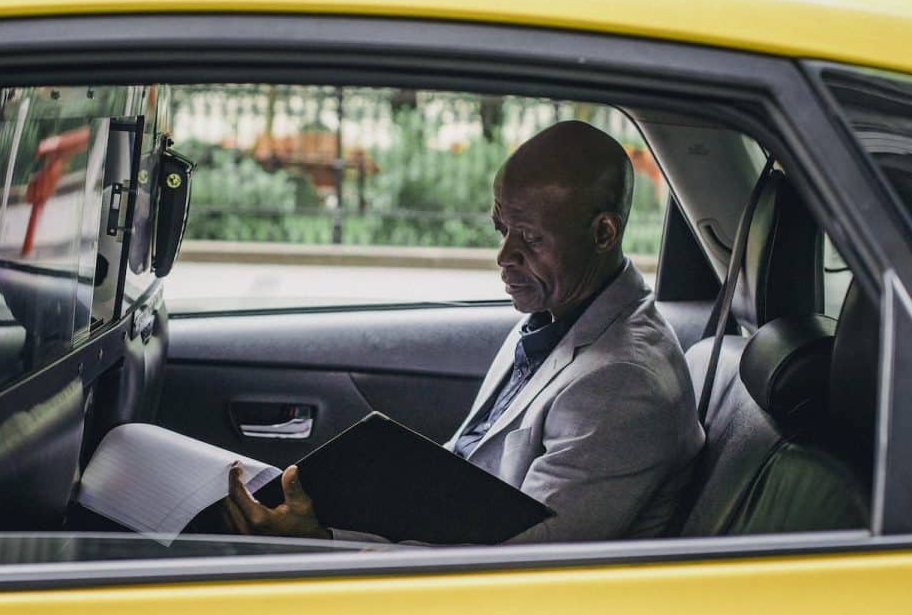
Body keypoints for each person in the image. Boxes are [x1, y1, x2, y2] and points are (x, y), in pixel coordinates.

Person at [223, 121, 704, 543]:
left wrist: (326, 541)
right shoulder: (554, 320)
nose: (505, 256)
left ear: (603, 234)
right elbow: (467, 471)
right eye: (502, 231)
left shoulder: (622, 383)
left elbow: (516, 568)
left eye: (531, 238)